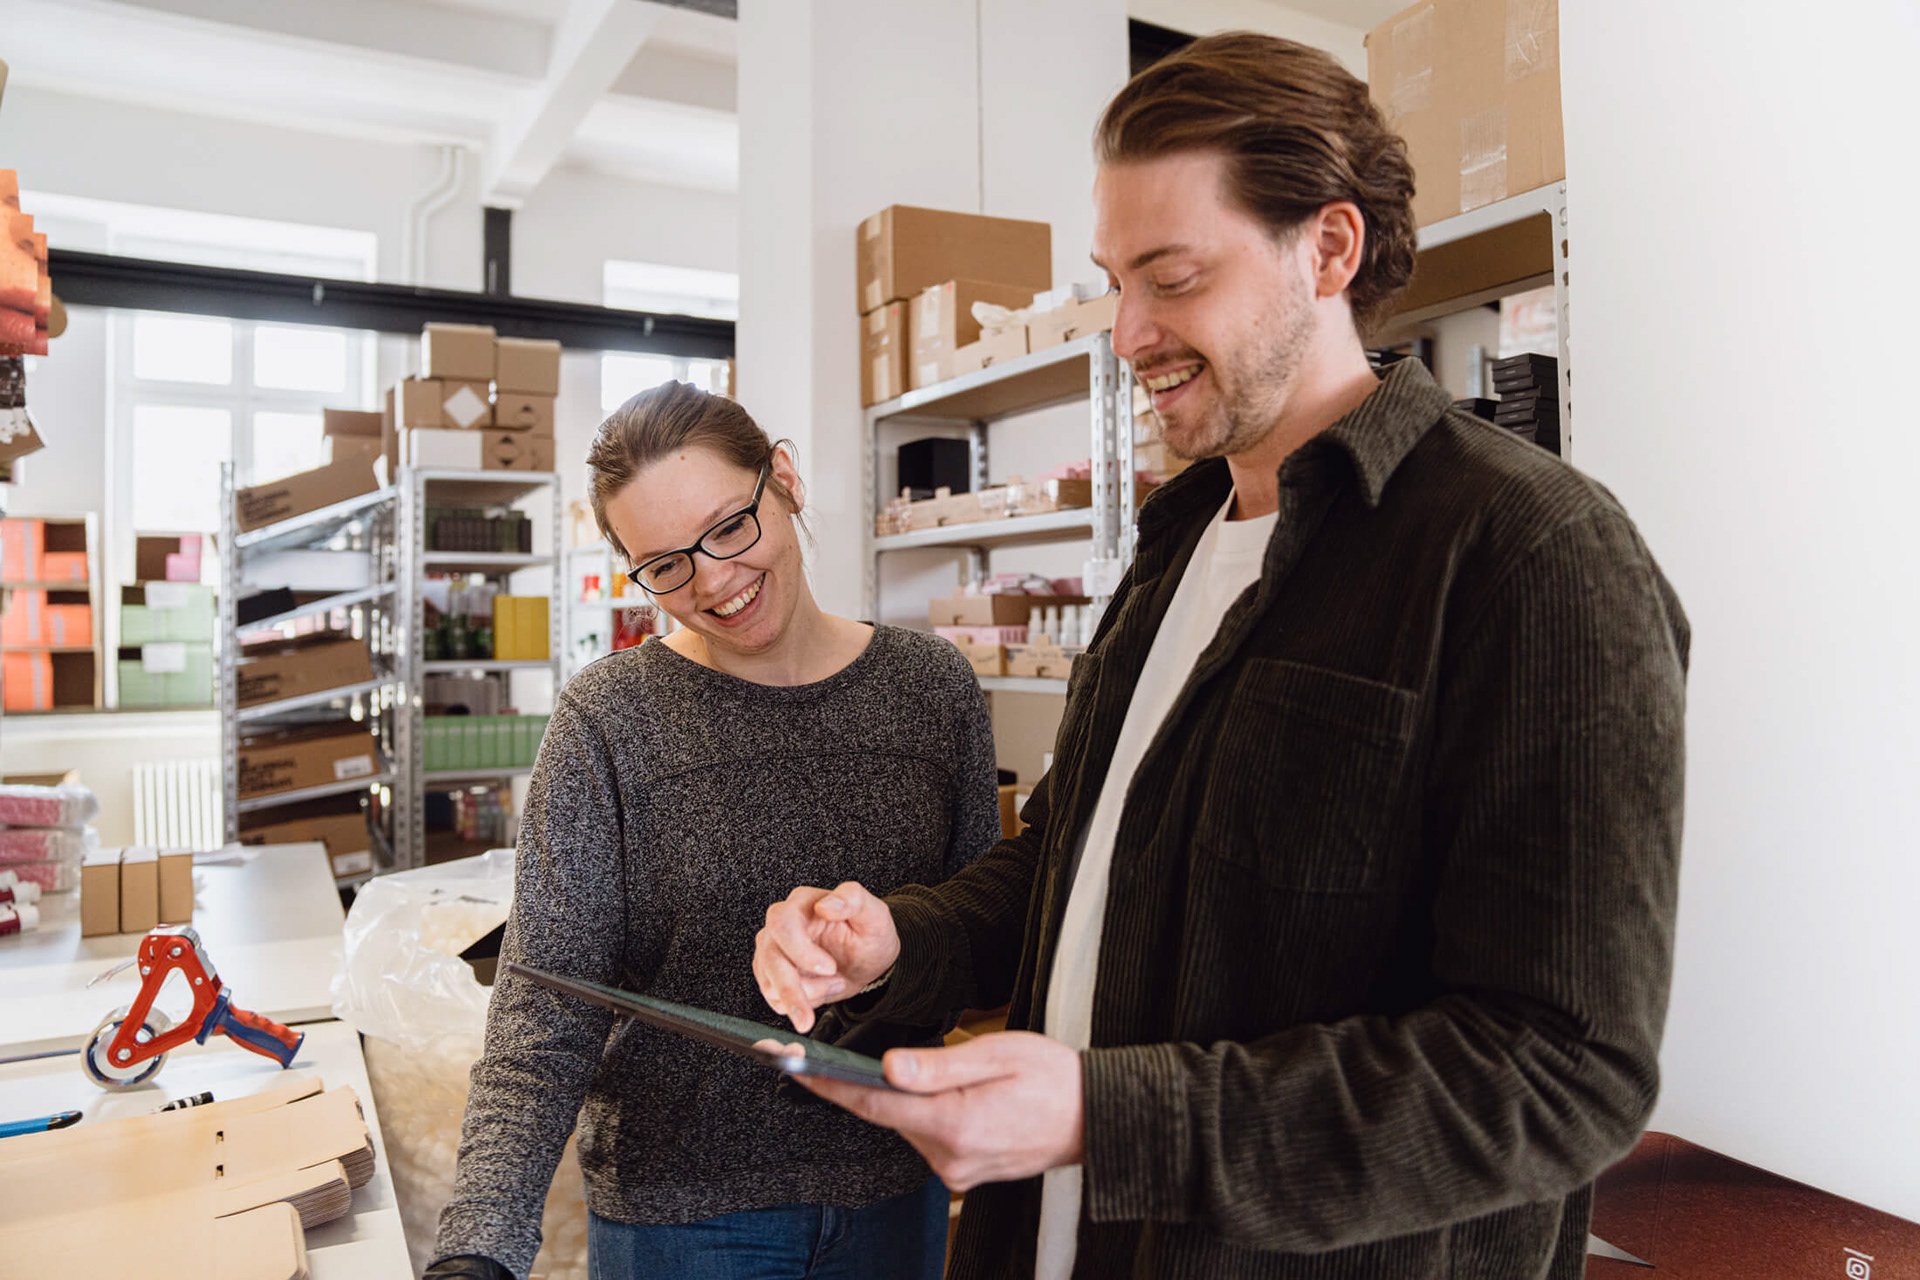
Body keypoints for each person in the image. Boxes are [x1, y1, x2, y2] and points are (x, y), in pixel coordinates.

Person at [753, 32, 1690, 1280]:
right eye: (1113, 279)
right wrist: (900, 942)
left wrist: (1110, 1114)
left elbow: (1560, 1070)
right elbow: (1082, 856)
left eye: (1173, 277)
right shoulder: (1179, 535)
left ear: (1330, 249)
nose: (1128, 331)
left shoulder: (1533, 555)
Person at [427, 382, 1000, 1280]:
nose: (713, 580)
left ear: (785, 480)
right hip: (681, 1223)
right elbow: (548, 1004)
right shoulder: (610, 720)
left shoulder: (930, 690)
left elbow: (979, 942)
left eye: (730, 526)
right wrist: (480, 1246)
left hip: (898, 1192)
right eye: (664, 565)